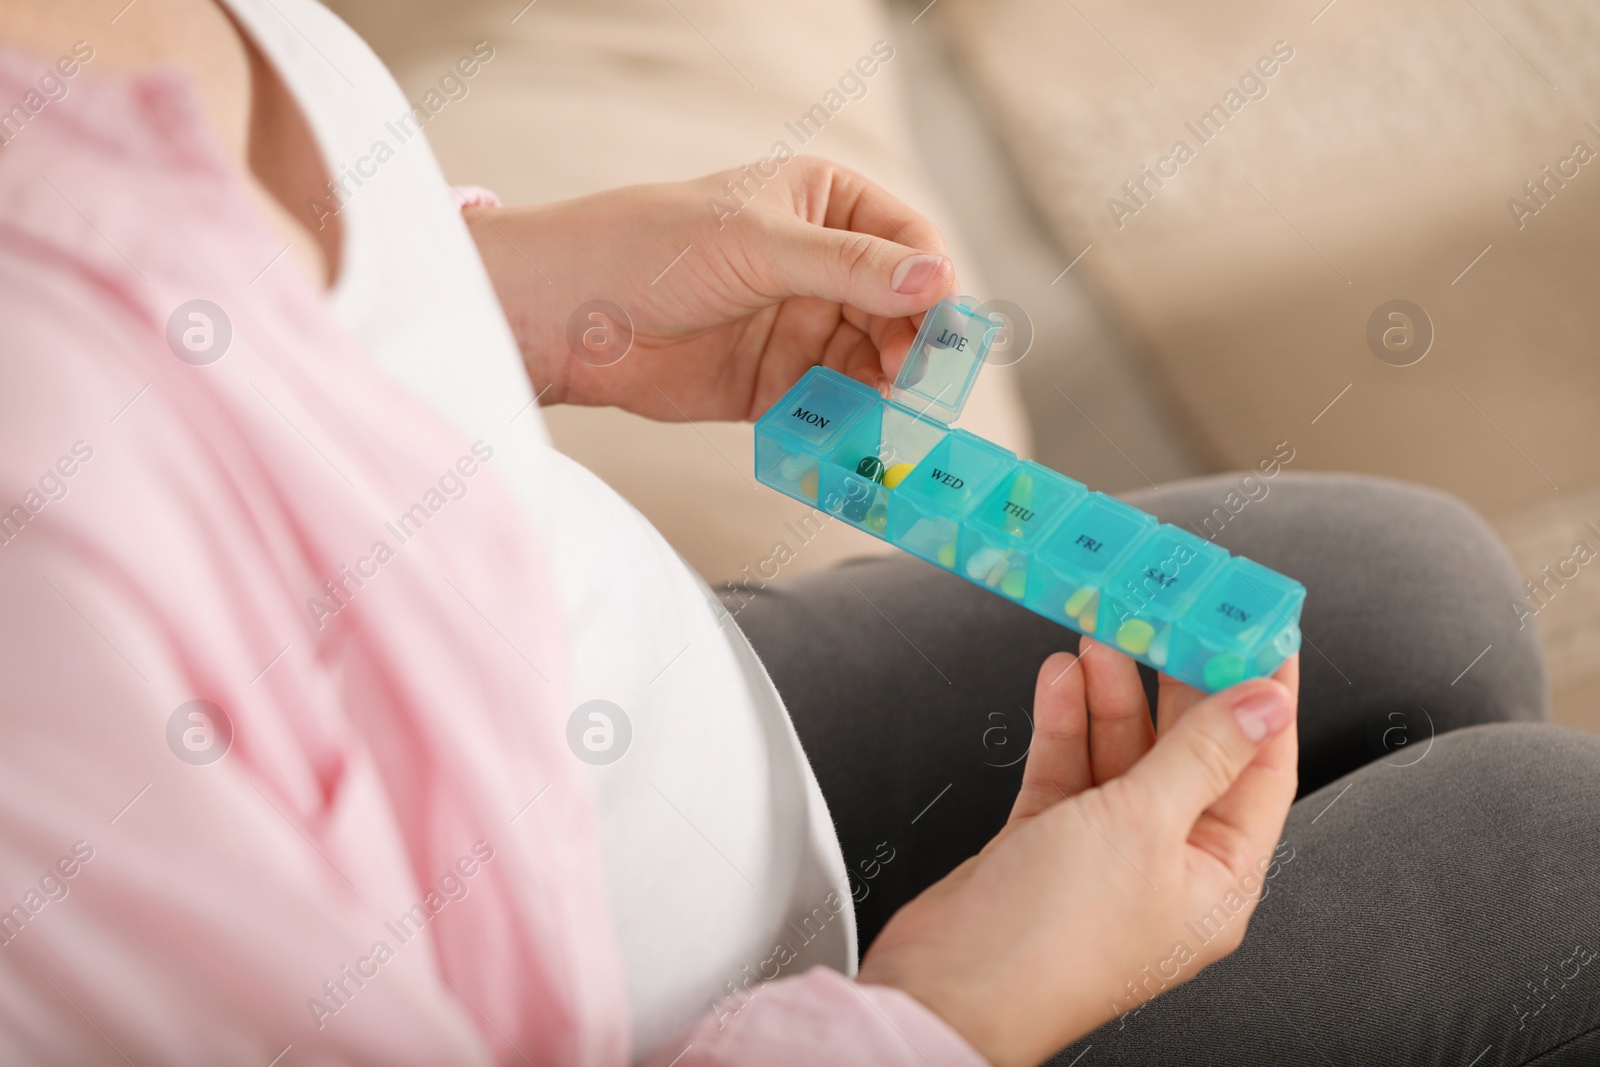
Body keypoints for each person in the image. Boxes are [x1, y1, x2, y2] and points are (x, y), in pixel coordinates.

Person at [0, 2, 1594, 1065]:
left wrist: (520, 301)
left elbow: (244, 344)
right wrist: (953, 1012)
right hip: (737, 1016)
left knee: (1416, 588)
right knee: (1558, 856)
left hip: (647, 709)